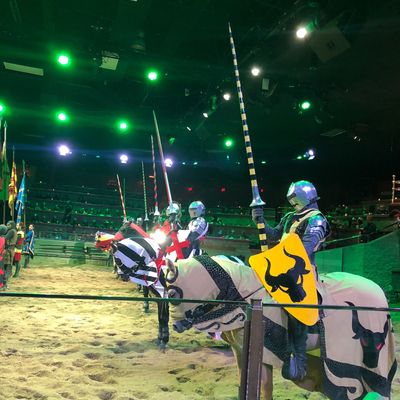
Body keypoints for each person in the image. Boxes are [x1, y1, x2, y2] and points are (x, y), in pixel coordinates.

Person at [252, 180, 330, 381]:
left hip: (302, 271)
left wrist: (286, 260)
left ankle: (300, 359)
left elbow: (306, 248)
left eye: (294, 198)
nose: (292, 202)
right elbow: (274, 235)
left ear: (303, 197)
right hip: (281, 267)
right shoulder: (289, 217)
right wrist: (260, 221)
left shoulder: (317, 219)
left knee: (298, 309)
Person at [3, 220, 17, 288]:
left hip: (8, 250)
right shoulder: (14, 231)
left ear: (12, 225)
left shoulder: (11, 231)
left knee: (6, 267)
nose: (7, 226)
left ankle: (4, 283)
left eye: (8, 225)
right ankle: (5, 283)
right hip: (11, 250)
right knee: (8, 267)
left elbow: (5, 238)